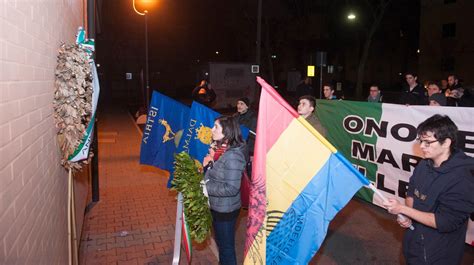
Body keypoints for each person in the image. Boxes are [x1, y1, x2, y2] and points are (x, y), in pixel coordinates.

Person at [383, 115, 474, 265]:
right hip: (414, 241)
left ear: (446, 143)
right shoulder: (424, 165)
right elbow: (411, 193)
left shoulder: (463, 177)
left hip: (439, 252)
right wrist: (408, 216)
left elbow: (445, 222)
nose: (422, 146)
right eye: (420, 141)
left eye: (428, 142)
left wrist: (403, 210)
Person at [203, 116, 247, 265]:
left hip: (226, 210)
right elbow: (216, 174)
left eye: (216, 127)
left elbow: (231, 188)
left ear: (226, 132)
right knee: (222, 244)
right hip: (217, 206)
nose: (211, 129)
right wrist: (209, 163)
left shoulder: (233, 156)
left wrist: (204, 187)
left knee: (226, 248)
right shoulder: (221, 149)